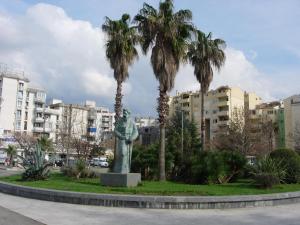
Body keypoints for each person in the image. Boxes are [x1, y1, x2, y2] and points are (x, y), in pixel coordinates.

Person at [114, 109, 138, 173]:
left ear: (129, 114)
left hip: (129, 140)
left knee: (127, 156)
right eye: (124, 113)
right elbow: (115, 130)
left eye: (126, 113)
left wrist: (132, 138)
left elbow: (136, 132)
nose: (124, 114)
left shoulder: (132, 122)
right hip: (122, 139)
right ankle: (120, 169)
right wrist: (121, 136)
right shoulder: (120, 121)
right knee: (122, 153)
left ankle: (125, 169)